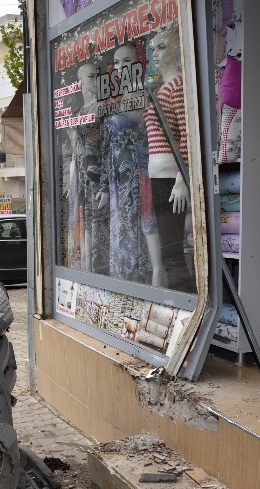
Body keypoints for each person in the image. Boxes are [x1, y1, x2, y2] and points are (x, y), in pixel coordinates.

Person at [101, 43, 160, 285]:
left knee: (142, 221)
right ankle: (124, 276)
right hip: (117, 176)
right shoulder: (115, 100)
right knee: (122, 223)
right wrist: (105, 185)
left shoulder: (146, 96)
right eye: (117, 63)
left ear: (139, 63)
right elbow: (107, 147)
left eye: (127, 61)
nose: (121, 67)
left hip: (139, 170)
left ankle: (148, 275)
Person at [144, 23, 196, 292]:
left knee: (173, 247)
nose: (156, 53)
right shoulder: (164, 86)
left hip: (171, 178)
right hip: (160, 175)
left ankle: (185, 296)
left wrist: (182, 178)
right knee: (169, 246)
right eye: (154, 48)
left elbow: (187, 134)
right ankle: (182, 295)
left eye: (162, 47)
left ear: (177, 49)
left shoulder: (177, 86)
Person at [65, 57, 110, 274]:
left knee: (96, 224)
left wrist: (105, 185)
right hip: (80, 179)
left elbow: (108, 147)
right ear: (80, 81)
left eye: (97, 76)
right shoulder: (77, 114)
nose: (96, 80)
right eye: (91, 76)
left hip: (97, 174)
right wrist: (70, 179)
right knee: (82, 222)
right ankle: (84, 271)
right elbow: (74, 151)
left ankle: (96, 272)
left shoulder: (103, 108)